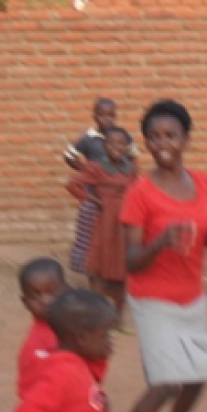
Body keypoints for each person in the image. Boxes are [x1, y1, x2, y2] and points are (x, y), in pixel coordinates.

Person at [102, 99, 207, 412]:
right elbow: (131, 261)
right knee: (163, 386)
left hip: (192, 296)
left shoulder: (203, 183)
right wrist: (160, 242)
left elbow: (199, 235)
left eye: (170, 135)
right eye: (154, 137)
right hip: (153, 300)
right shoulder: (139, 193)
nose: (162, 143)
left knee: (197, 376)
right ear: (146, 143)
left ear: (186, 140)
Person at [15, 289, 117, 412]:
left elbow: (86, 385)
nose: (109, 340)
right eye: (104, 335)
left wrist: (98, 398)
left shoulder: (75, 362)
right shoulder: (60, 374)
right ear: (82, 338)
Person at [66, 126, 138, 332]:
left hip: (123, 224)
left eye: (121, 144)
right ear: (105, 147)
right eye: (111, 144)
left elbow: (138, 191)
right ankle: (99, 319)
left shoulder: (130, 169)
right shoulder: (96, 168)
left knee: (122, 271)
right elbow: (73, 185)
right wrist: (92, 199)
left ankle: (118, 318)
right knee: (99, 270)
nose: (116, 147)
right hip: (103, 222)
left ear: (126, 147)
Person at [17, 257, 108, 399]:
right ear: (25, 302)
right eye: (35, 296)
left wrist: (99, 357)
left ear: (67, 289)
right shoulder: (37, 346)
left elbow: (87, 374)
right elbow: (34, 394)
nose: (45, 301)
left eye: (52, 292)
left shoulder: (75, 328)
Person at [63, 97, 118, 277]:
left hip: (113, 196)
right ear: (95, 117)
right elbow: (69, 156)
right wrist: (87, 170)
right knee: (89, 234)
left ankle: (109, 271)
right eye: (103, 116)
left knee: (112, 234)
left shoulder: (119, 137)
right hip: (93, 195)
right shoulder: (88, 139)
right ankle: (89, 269)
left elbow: (131, 158)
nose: (107, 120)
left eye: (111, 116)